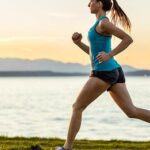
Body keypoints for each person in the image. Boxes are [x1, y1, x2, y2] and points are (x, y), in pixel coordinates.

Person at [56, 0, 150, 149]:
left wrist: (110, 54)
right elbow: (94, 54)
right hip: (113, 71)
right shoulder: (98, 25)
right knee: (131, 111)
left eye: (91, 1)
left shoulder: (103, 23)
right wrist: (78, 43)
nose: (88, 4)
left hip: (104, 72)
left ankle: (66, 148)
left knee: (77, 107)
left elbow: (128, 39)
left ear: (99, 3)